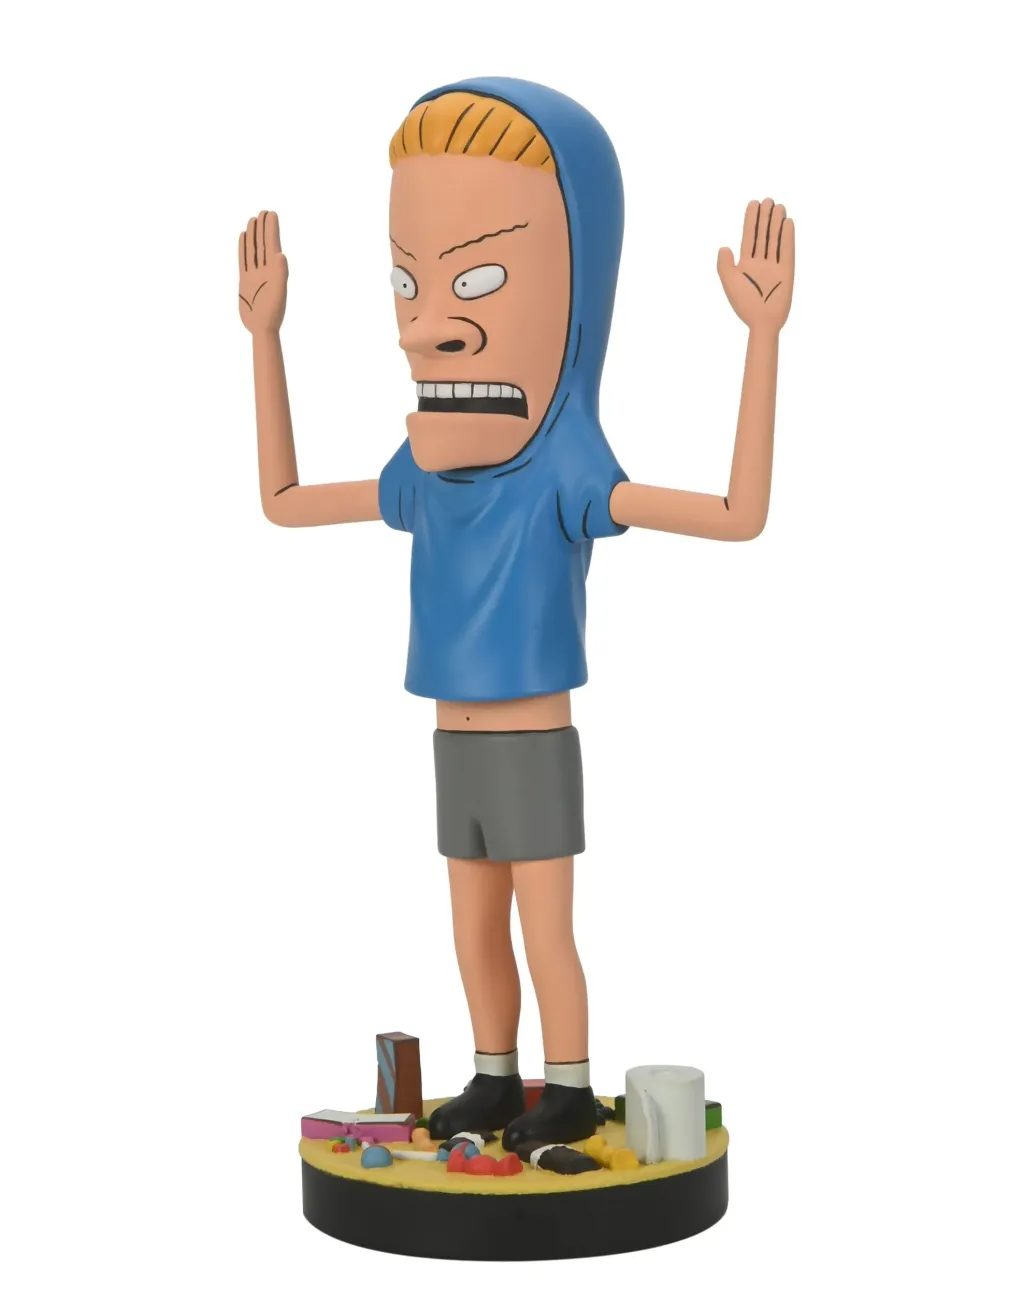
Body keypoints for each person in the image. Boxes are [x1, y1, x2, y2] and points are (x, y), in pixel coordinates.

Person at [237, 77, 795, 1149]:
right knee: (470, 925)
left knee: (547, 929)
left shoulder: (566, 474)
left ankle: (568, 1084)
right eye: (406, 284)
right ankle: (495, 1073)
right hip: (450, 736)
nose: (427, 330)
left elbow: (739, 515)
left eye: (480, 281)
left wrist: (761, 337)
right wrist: (265, 337)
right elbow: (283, 500)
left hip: (534, 739)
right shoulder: (420, 471)